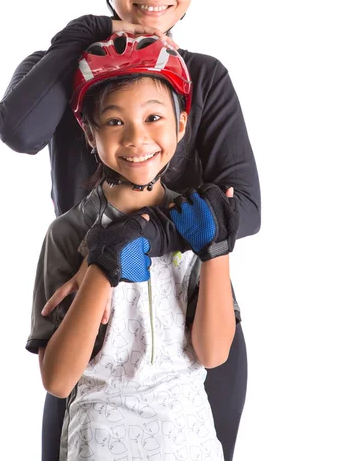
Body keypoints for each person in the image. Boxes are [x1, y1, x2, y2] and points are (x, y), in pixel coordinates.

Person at [0, 0, 261, 461]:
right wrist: (84, 36)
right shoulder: (65, 70)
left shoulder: (204, 77)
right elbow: (18, 129)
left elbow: (245, 207)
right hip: (95, 317)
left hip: (193, 313)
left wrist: (131, 238)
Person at [26, 31, 239, 461]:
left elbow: (213, 354)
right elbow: (59, 380)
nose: (136, 139)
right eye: (115, 121)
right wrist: (104, 264)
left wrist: (216, 250)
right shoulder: (68, 233)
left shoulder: (193, 220)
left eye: (154, 118)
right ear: (89, 132)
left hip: (189, 439)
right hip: (102, 442)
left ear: (181, 124)